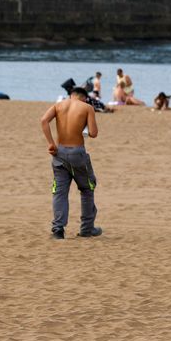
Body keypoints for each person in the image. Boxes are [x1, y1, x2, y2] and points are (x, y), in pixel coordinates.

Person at [39, 86, 102, 239]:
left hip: (59, 153)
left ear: (71, 95)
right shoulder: (87, 107)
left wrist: (51, 143)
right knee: (87, 188)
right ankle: (87, 228)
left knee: (59, 192)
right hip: (77, 153)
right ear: (84, 98)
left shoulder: (59, 105)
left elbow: (44, 120)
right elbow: (93, 133)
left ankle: (58, 230)